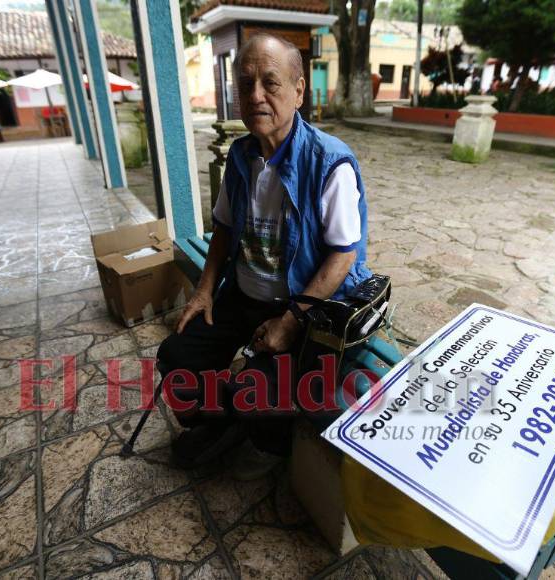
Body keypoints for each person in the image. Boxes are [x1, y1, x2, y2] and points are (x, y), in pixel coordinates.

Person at [156, 33, 370, 480]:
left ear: (298, 90)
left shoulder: (330, 162)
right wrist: (204, 292)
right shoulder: (241, 155)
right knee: (177, 354)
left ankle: (267, 444)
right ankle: (217, 421)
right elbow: (225, 229)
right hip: (245, 292)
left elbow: (342, 257)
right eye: (245, 83)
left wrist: (291, 321)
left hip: (305, 305)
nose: (255, 96)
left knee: (259, 389)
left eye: (270, 83)